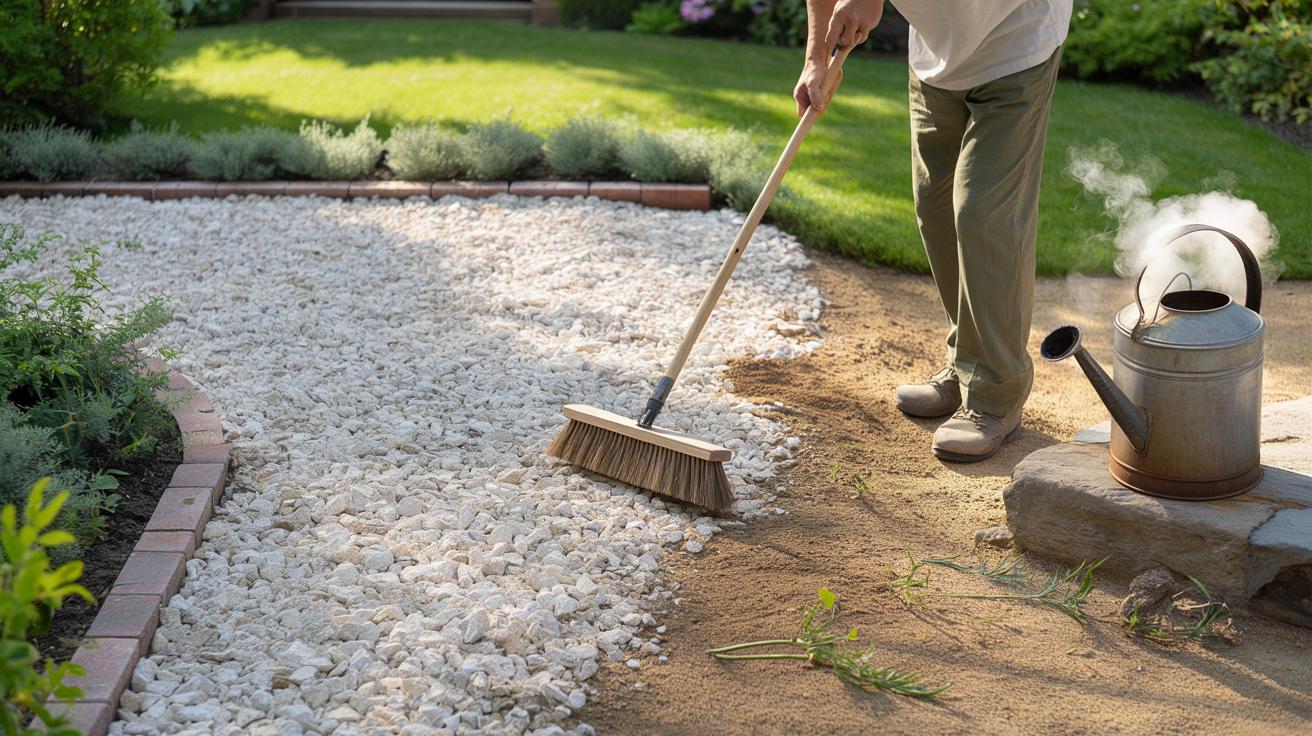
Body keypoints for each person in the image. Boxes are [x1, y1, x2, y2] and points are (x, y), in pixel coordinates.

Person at [796, 0, 1073, 461]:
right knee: (936, 207)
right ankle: (968, 364)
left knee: (984, 214)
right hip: (937, 52)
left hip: (1016, 36)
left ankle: (995, 396)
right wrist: (816, 60)